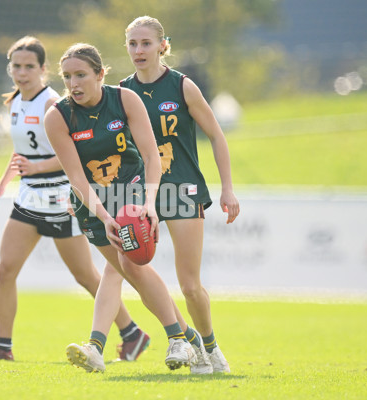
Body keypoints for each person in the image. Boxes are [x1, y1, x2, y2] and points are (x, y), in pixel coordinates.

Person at [0, 36, 150, 362]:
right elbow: (22, 152)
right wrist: (2, 184)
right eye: (16, 66)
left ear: (43, 69)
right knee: (5, 269)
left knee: (86, 275)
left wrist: (37, 166)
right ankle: (3, 347)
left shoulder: (54, 103)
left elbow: (71, 157)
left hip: (58, 197)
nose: (21, 73)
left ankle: (132, 332)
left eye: (29, 66)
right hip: (28, 197)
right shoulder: (15, 103)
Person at [45, 43, 197, 373]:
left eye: (81, 75)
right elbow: (76, 178)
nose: (74, 84)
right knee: (122, 269)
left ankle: (105, 346)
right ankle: (186, 339)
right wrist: (103, 215)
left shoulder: (126, 99)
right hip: (92, 204)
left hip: (131, 192)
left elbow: (151, 155)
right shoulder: (58, 116)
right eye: (67, 76)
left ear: (101, 74)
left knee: (128, 267)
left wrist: (149, 204)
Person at [120, 16, 241, 373]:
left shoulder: (183, 86)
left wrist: (228, 189)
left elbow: (217, 136)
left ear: (162, 45)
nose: (138, 50)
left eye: (145, 43)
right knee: (128, 269)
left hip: (182, 191)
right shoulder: (122, 92)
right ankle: (181, 339)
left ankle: (209, 346)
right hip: (142, 195)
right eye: (132, 44)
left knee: (189, 285)